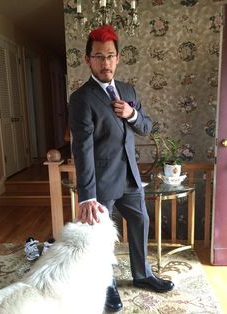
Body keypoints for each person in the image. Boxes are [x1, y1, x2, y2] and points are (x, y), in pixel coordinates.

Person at [69, 24, 174, 313]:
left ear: (118, 58)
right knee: (101, 239)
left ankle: (142, 275)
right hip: (101, 182)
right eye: (99, 57)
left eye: (110, 56)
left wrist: (132, 113)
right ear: (88, 60)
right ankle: (106, 286)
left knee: (141, 221)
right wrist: (87, 194)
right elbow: (83, 147)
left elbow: (146, 127)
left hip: (130, 177)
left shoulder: (128, 90)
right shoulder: (81, 99)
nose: (106, 63)